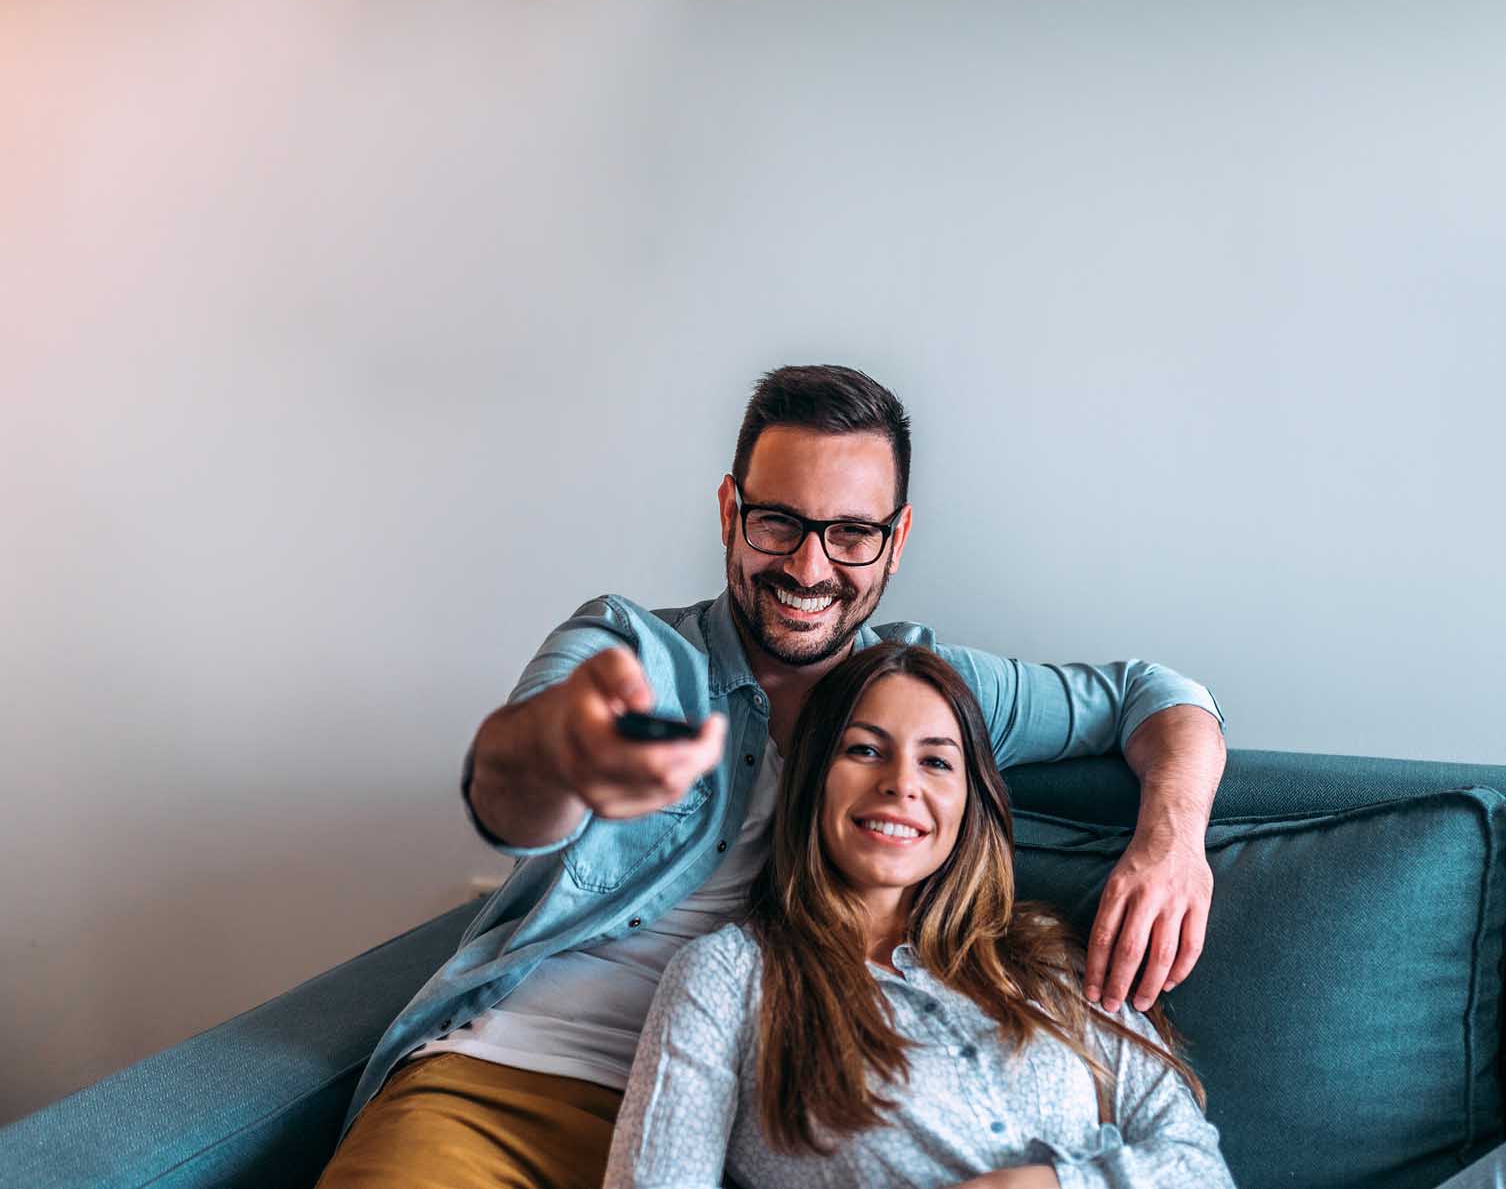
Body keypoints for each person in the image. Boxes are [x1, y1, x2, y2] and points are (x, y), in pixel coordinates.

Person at [314, 365, 1228, 1188]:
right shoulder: (632, 653)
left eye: (851, 533)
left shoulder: (925, 697)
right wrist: (564, 752)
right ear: (729, 513)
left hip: (764, 1125)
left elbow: (1157, 695)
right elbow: (507, 789)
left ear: (897, 538)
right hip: (516, 1087)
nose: (808, 566)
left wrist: (1173, 840)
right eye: (778, 522)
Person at [607, 643, 1506, 1189]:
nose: (899, 786)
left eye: (936, 761)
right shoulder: (736, 977)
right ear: (816, 778)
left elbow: (1195, 1159)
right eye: (864, 750)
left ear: (973, 805)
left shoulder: (1041, 962)